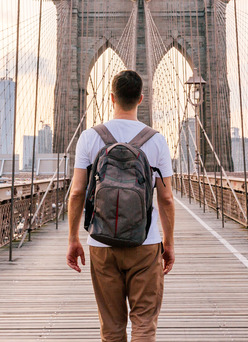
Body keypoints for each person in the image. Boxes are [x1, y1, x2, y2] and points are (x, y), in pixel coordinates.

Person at [66, 69, 175, 342]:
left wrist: (73, 239)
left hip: (102, 244)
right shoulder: (156, 140)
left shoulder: (90, 137)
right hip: (145, 244)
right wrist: (168, 243)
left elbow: (77, 192)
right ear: (141, 99)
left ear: (111, 97)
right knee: (144, 324)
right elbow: (166, 198)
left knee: (112, 328)